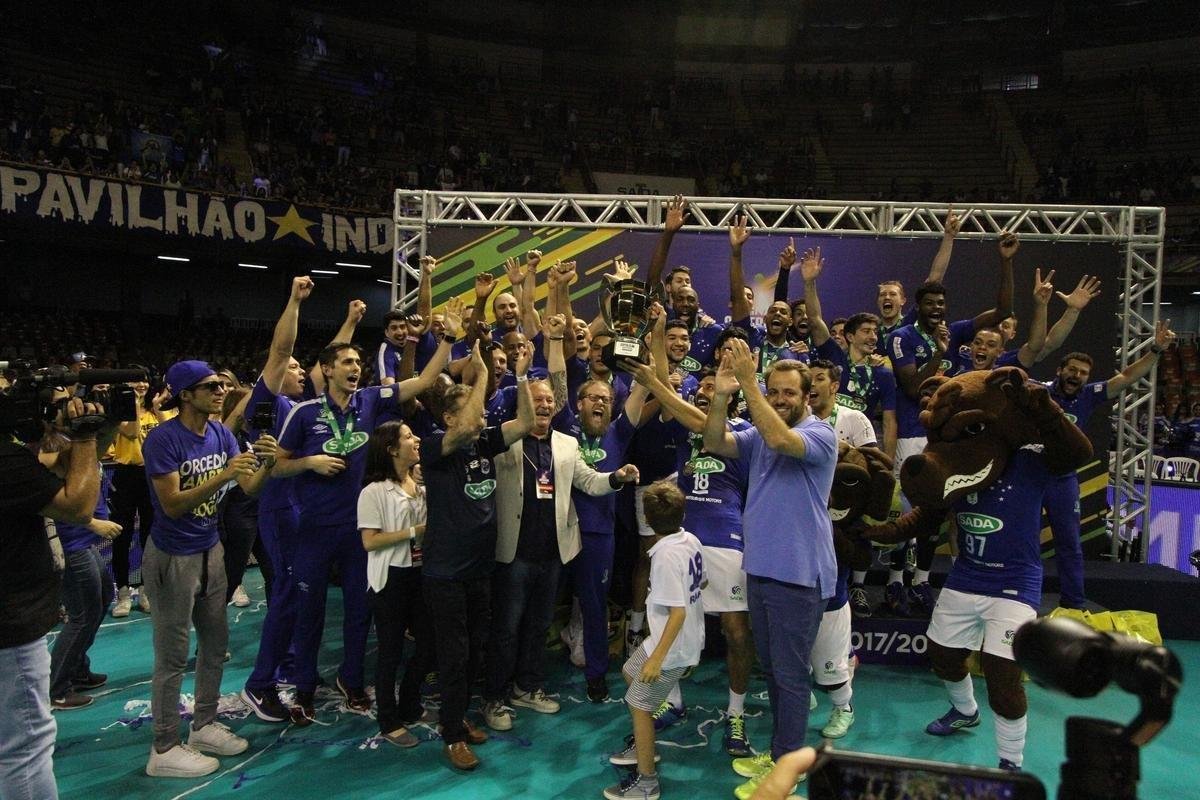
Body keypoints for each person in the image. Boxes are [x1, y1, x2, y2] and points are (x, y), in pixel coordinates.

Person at [274, 299, 462, 724]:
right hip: (316, 530)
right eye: (346, 361)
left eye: (358, 361)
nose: (355, 367)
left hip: (361, 530)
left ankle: (352, 679)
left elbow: (427, 379)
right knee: (310, 612)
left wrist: (448, 337)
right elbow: (277, 466)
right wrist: (308, 463)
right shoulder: (304, 414)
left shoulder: (372, 401)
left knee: (361, 611)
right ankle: (304, 686)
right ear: (327, 370)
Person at [484, 319, 640, 731]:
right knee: (507, 626)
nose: (545, 406)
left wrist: (616, 478)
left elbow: (589, 479)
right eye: (537, 401)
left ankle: (527, 686)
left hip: (553, 548)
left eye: (550, 402)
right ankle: (495, 696)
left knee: (536, 625)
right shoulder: (506, 439)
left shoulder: (566, 444)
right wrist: (534, 362)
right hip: (514, 550)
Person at [701, 346, 837, 800]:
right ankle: (782, 756)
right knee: (776, 671)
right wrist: (722, 396)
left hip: (799, 577)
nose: (778, 398)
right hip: (761, 570)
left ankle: (788, 769)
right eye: (772, 391)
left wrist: (749, 385)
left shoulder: (821, 435)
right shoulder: (760, 433)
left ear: (807, 396)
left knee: (791, 677)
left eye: (787, 392)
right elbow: (714, 443)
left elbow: (781, 439)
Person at [624, 316, 756, 755]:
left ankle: (736, 717)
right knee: (670, 626)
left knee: (737, 631)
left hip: (726, 540)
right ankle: (672, 701)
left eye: (712, 390)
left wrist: (665, 385)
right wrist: (658, 337)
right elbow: (669, 390)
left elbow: (702, 422)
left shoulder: (744, 433)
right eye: (698, 389)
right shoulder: (682, 425)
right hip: (683, 539)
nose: (702, 393)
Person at [141, 359, 278, 778]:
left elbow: (248, 485)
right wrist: (222, 475)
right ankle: (163, 746)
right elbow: (172, 504)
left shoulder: (220, 432)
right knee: (172, 656)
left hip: (209, 548)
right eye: (211, 386)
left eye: (221, 385)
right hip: (171, 555)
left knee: (215, 645)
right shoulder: (164, 440)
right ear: (185, 394)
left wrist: (267, 464)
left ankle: (202, 725)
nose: (221, 391)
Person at [883, 232, 1015, 616]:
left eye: (942, 303)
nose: (937, 308)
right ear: (918, 307)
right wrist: (939, 353)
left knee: (935, 514)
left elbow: (1003, 311)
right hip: (911, 435)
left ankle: (921, 582)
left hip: (943, 443)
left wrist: (1005, 261)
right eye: (930, 303)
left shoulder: (958, 330)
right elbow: (911, 388)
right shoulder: (901, 337)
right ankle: (894, 584)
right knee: (907, 513)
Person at [420, 340, 534, 772]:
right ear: (450, 418)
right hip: (445, 571)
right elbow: (468, 425)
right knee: (453, 655)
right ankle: (451, 736)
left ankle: (461, 720)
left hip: (479, 568)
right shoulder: (435, 446)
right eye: (472, 410)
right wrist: (482, 372)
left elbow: (524, 421)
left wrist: (521, 375)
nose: (482, 416)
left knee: (475, 651)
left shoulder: (484, 442)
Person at [1, 393, 106, 800]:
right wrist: (83, 436)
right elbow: (78, 505)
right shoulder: (7, 462)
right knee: (26, 746)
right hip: (10, 622)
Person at [1044, 320, 1176, 607]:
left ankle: (1074, 603)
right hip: (1030, 476)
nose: (1076, 376)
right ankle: (1017, 595)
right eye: (1071, 370)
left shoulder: (1089, 395)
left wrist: (1155, 349)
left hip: (1063, 479)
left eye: (1082, 373)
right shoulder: (1039, 392)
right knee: (1020, 538)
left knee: (1069, 544)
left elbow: (1128, 376)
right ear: (1059, 370)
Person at [603, 479, 705, 800]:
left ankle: (647, 783)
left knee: (638, 704)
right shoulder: (690, 540)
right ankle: (642, 741)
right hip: (672, 639)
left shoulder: (662, 558)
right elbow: (702, 582)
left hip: (671, 646)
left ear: (646, 519)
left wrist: (658, 659)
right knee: (630, 673)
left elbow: (677, 613)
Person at [357, 421, 433, 748]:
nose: (416, 439)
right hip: (390, 577)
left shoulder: (419, 487)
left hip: (419, 573)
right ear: (391, 449)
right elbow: (370, 542)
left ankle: (410, 704)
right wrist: (415, 533)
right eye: (407, 436)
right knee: (391, 650)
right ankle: (388, 718)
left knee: (429, 643)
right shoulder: (373, 492)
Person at [40, 428, 121, 710]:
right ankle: (56, 688)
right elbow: (53, 496)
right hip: (71, 544)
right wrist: (91, 523)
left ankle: (76, 669)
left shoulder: (77, 441)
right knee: (81, 616)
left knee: (101, 600)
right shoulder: (50, 446)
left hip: (83, 543)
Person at [109, 378, 173, 616]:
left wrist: (156, 408)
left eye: (144, 380)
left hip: (151, 475)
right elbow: (133, 431)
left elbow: (169, 433)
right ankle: (123, 593)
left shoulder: (156, 410)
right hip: (126, 475)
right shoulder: (119, 413)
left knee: (150, 535)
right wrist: (133, 401)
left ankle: (146, 590)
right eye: (135, 381)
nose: (141, 384)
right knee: (121, 535)